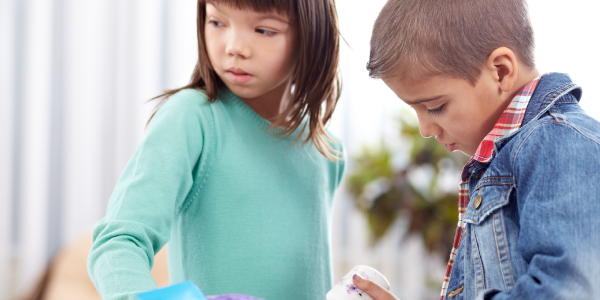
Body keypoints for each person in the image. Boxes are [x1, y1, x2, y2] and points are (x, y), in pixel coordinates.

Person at [87, 0, 345, 299]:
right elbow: (118, 241)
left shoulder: (328, 152)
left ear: (312, 37)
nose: (234, 47)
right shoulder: (191, 118)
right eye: (217, 22)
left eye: (264, 30)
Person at [351, 0, 600, 299]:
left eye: (435, 107)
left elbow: (569, 291)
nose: (425, 130)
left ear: (501, 70)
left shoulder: (559, 143)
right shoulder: (507, 159)